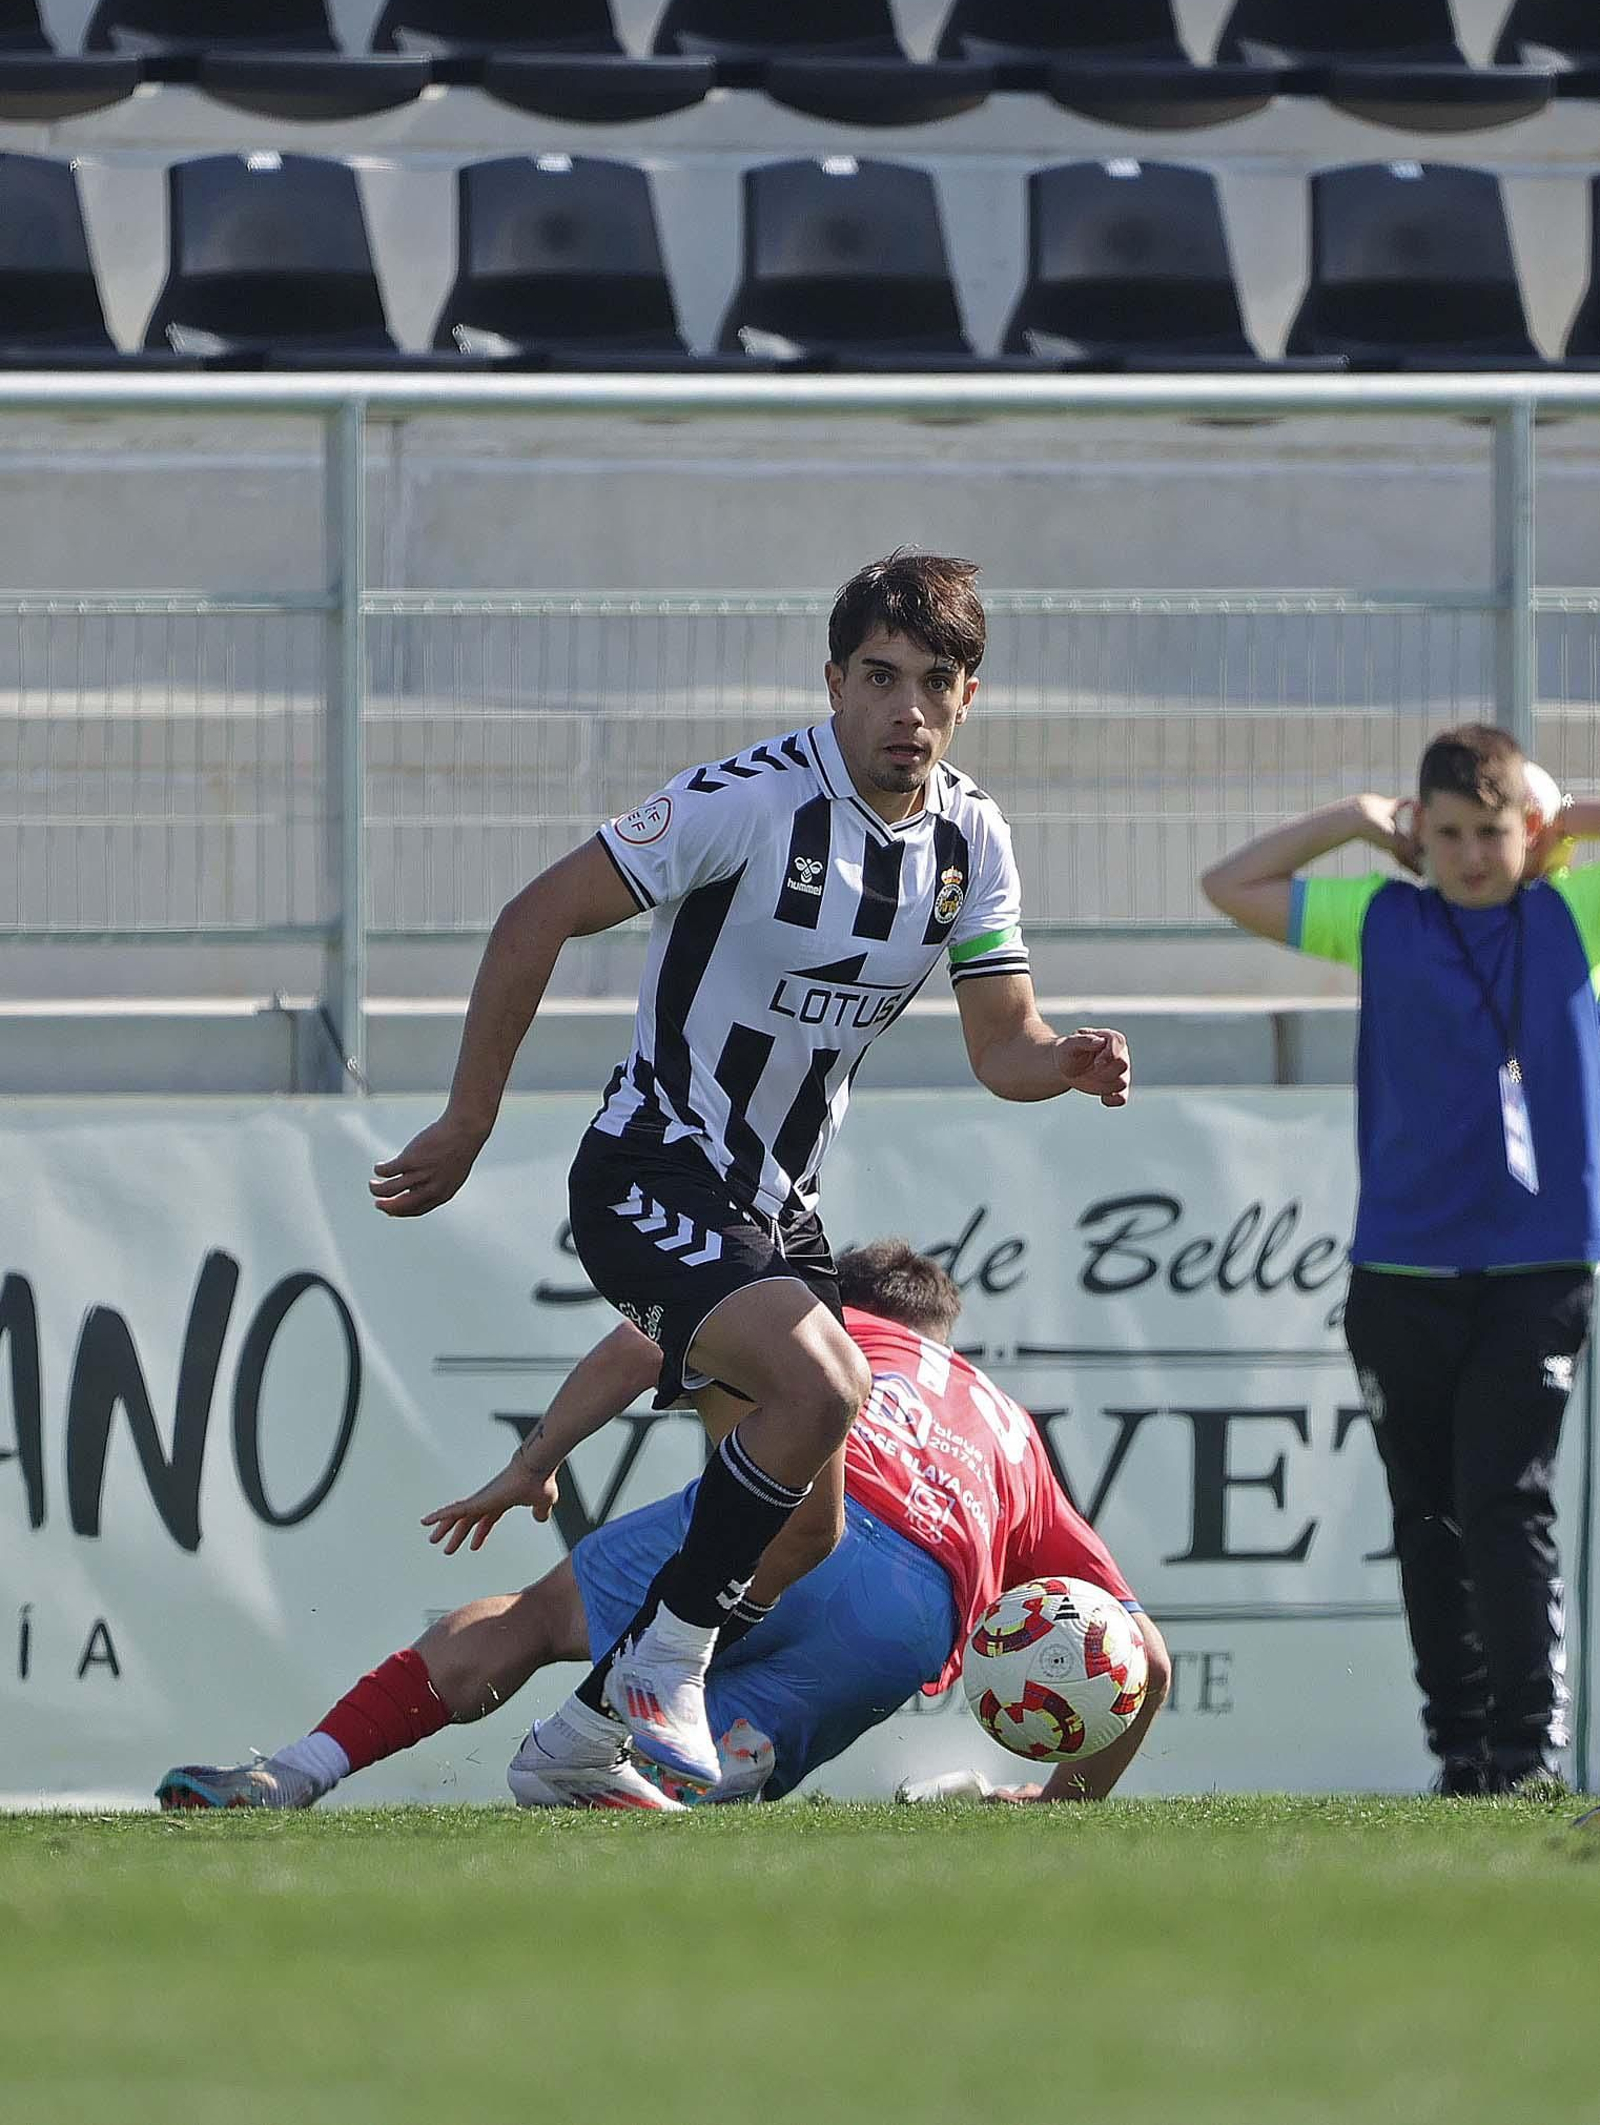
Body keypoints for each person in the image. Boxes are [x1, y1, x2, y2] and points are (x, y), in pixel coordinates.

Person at [364, 552, 1131, 1796]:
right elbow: (532, 915)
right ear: (831, 681)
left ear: (969, 695)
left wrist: (1068, 1060)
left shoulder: (972, 841)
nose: (907, 712)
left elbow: (1003, 1046)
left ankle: (578, 1739)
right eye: (879, 679)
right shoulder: (748, 801)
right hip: (648, 1169)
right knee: (827, 1384)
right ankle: (667, 1660)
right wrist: (468, 1119)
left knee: (809, 1527)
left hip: (779, 1214)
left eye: (935, 684)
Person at [156, 1242, 1170, 1812]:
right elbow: (1147, 1663)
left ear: (850, 1304)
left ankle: (297, 1771)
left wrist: (535, 1460)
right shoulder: (1006, 1427)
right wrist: (1060, 1806)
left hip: (808, 1500)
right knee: (671, 1785)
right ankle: (700, 1793)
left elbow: (642, 1344)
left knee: (535, 1621)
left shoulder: (827, 1324)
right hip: (906, 1619)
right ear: (946, 1338)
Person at [1201, 725, 1600, 1797]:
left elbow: (1548, 842)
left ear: (1529, 831)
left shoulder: (1570, 911)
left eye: (1496, 831)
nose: (1475, 855)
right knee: (1426, 1518)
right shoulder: (1383, 918)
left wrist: (1571, 820)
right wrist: (1352, 819)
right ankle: (1460, 1754)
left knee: (1505, 1501)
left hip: (1536, 1268)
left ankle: (1528, 1754)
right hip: (1402, 1275)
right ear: (1422, 834)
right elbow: (1226, 883)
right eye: (1454, 833)